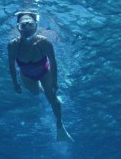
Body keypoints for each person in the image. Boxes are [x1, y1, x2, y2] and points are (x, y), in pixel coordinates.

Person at [8, 11, 73, 142]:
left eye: (30, 25)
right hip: (27, 76)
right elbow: (10, 64)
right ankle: (44, 90)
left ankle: (60, 127)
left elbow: (53, 63)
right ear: (18, 28)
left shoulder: (44, 43)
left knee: (53, 99)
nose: (27, 30)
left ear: (36, 27)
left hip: (44, 73)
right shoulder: (13, 45)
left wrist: (55, 81)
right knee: (36, 92)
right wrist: (15, 83)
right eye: (23, 26)